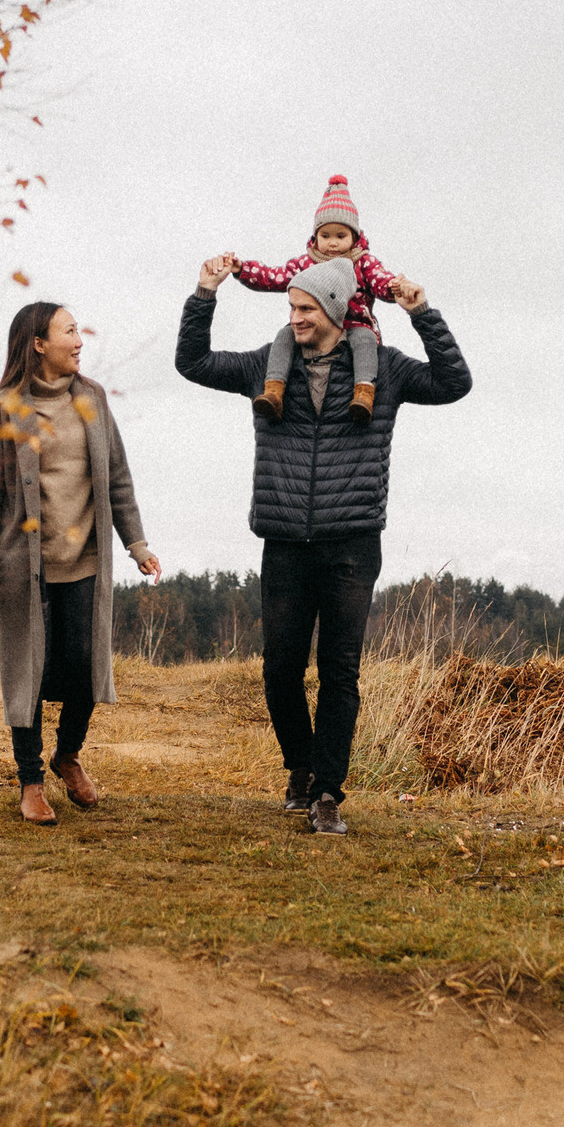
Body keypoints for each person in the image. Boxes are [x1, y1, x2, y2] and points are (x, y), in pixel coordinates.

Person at [176, 239, 471, 835]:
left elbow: (453, 382)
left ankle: (328, 793)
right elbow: (194, 362)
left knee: (340, 673)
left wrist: (422, 314)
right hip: (284, 540)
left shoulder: (383, 370)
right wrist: (204, 295)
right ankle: (301, 768)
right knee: (280, 670)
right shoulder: (267, 366)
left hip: (352, 544)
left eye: (306, 309)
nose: (295, 318)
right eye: (292, 308)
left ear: (336, 311)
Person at [0, 302, 160, 825]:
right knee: (27, 673)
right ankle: (30, 781)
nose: (79, 340)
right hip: (22, 565)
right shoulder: (4, 411)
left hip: (85, 560)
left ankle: (67, 755)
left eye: (78, 331)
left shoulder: (91, 399)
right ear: (39, 344)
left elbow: (117, 478)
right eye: (69, 331)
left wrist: (137, 543)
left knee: (85, 666)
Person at [218, 174, 404, 426]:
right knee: (284, 336)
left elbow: (380, 280)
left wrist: (393, 288)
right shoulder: (306, 263)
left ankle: (363, 394)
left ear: (354, 237)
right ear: (316, 237)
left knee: (366, 340)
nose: (333, 243)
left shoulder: (363, 262)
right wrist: (242, 269)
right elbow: (275, 277)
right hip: (313, 327)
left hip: (354, 324)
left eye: (341, 236)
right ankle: (273, 391)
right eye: (325, 236)